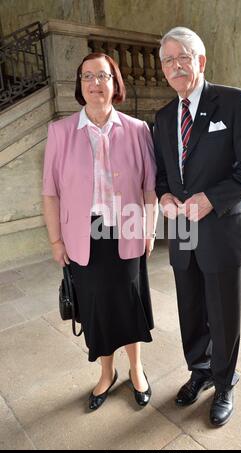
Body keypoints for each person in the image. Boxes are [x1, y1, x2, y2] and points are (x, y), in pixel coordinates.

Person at [153, 27, 241, 426]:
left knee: (223, 313)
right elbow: (163, 175)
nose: (176, 66)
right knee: (191, 309)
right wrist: (164, 196)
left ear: (200, 61)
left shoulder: (233, 101)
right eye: (168, 60)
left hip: (220, 227)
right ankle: (199, 370)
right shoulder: (164, 116)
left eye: (183, 57)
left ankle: (224, 382)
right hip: (182, 231)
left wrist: (211, 199)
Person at [42, 52, 158, 411]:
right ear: (80, 85)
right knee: (95, 306)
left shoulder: (138, 130)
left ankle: (136, 369)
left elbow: (148, 188)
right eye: (87, 76)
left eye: (103, 76)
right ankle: (106, 373)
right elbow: (51, 191)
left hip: (126, 230)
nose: (95, 83)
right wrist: (56, 240)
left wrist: (149, 231)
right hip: (84, 236)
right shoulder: (60, 132)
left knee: (128, 301)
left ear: (115, 82)